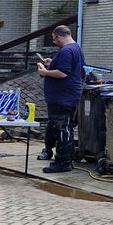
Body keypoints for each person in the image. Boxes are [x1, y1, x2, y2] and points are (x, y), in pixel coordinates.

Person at [36, 25, 85, 173]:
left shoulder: (66, 51)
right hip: (68, 96)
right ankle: (65, 159)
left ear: (58, 36)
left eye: (54, 39)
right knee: (64, 128)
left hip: (63, 98)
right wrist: (52, 64)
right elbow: (68, 69)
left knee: (63, 129)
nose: (54, 42)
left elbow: (63, 73)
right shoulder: (76, 48)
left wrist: (45, 72)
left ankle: (63, 162)